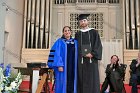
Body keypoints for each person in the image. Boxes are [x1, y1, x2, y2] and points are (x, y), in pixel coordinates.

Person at [75, 14, 102, 93]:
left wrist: (92, 53)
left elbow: (98, 45)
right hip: (81, 61)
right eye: (81, 21)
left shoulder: (94, 32)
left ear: (87, 21)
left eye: (84, 20)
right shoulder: (77, 34)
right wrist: (82, 54)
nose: (83, 22)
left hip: (91, 60)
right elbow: (76, 47)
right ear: (79, 23)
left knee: (92, 79)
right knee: (81, 78)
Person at [47, 26, 78, 93]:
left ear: (70, 31)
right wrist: (59, 65)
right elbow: (57, 54)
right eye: (65, 31)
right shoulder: (59, 42)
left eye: (68, 30)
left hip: (73, 67)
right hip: (63, 67)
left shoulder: (75, 42)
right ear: (63, 33)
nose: (67, 32)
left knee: (73, 81)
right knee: (62, 82)